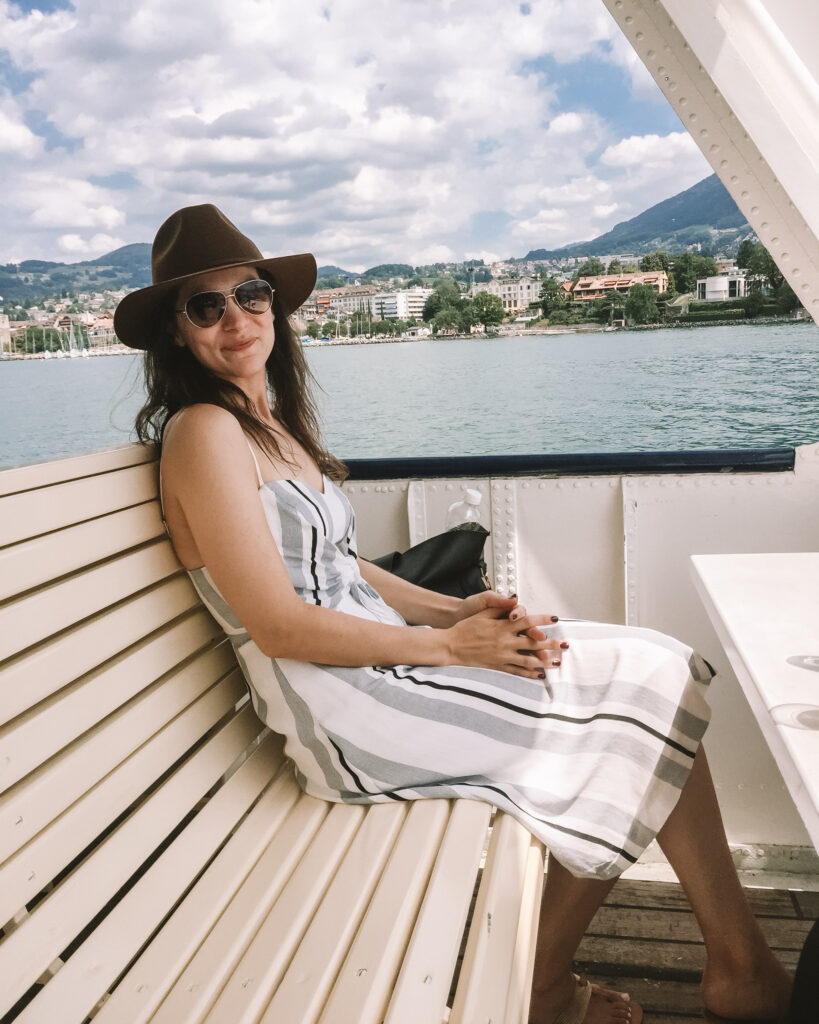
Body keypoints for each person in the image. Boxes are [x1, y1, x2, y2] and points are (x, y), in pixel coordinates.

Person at [115, 204, 793, 1024]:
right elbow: (278, 624)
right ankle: (558, 983)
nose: (236, 319)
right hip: (344, 709)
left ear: (274, 306)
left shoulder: (267, 427)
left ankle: (728, 963)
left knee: (648, 670)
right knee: (620, 721)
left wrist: (453, 608)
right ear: (176, 334)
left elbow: (341, 568)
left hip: (383, 666)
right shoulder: (203, 432)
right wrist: (451, 648)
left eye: (251, 294)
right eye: (205, 306)